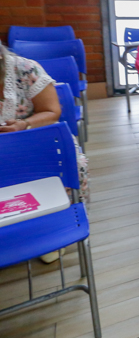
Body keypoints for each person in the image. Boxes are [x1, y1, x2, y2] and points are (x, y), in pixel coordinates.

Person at [1, 42, 90, 262]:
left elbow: (52, 112)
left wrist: (23, 125)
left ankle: (53, 225)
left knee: (71, 163)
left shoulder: (25, 69)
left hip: (34, 141)